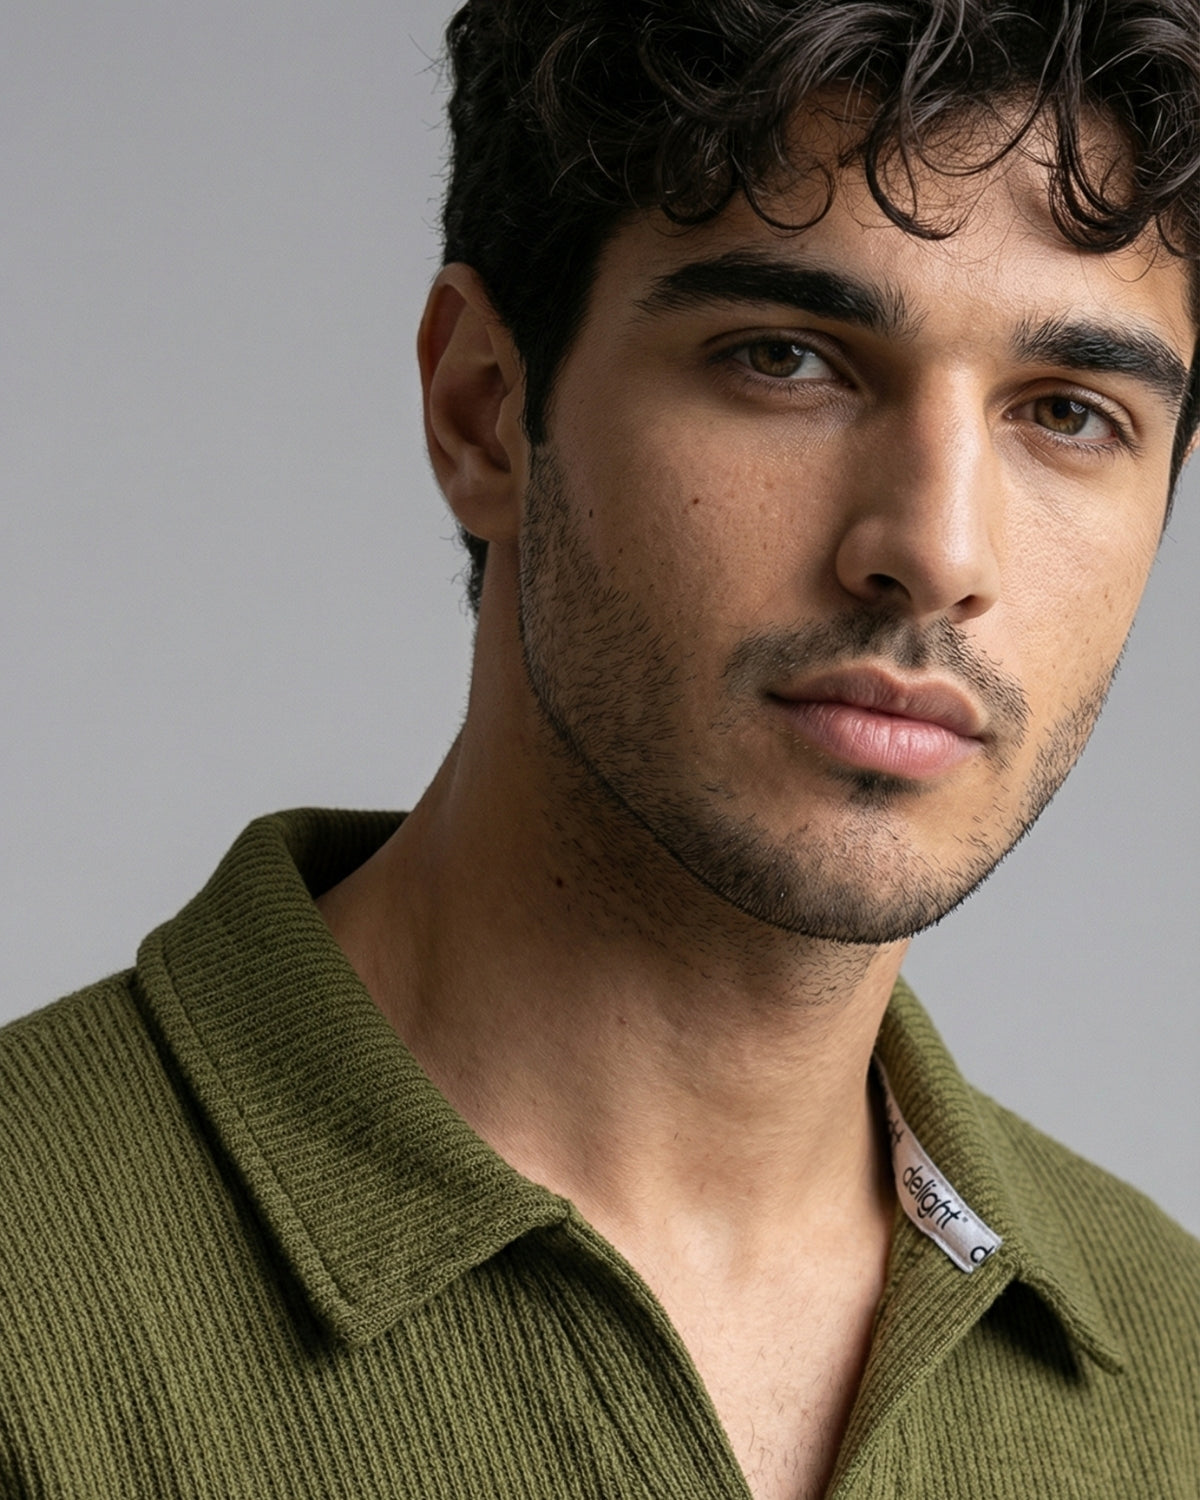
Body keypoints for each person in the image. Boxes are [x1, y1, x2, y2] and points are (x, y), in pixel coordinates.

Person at [2, 1, 1198, 1496]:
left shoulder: (1176, 1373)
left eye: (1070, 413)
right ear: (484, 412)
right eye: (787, 358)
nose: (938, 551)